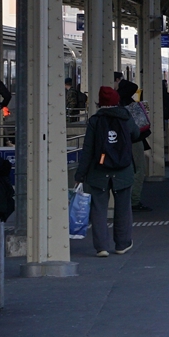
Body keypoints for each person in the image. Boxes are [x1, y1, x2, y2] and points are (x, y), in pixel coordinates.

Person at [73, 86, 135, 257]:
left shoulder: (94, 121)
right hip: (123, 171)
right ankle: (122, 244)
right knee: (123, 208)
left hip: (98, 171)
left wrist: (80, 175)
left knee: (98, 209)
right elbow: (136, 134)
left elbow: (88, 150)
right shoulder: (126, 117)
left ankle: (101, 247)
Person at [118, 79, 152, 210]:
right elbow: (133, 86)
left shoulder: (117, 101)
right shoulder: (125, 100)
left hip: (123, 140)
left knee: (130, 169)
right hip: (133, 140)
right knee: (139, 169)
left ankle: (128, 199)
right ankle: (134, 200)